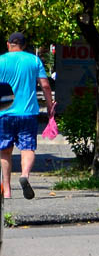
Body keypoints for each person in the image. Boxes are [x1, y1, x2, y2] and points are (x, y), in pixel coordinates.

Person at [0, 32, 54, 200]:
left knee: (5, 151)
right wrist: (50, 105)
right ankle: (24, 175)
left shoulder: (1, 60)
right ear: (24, 46)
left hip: (4, 112)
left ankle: (7, 190)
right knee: (27, 148)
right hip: (28, 112)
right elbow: (45, 85)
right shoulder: (34, 60)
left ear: (9, 45)